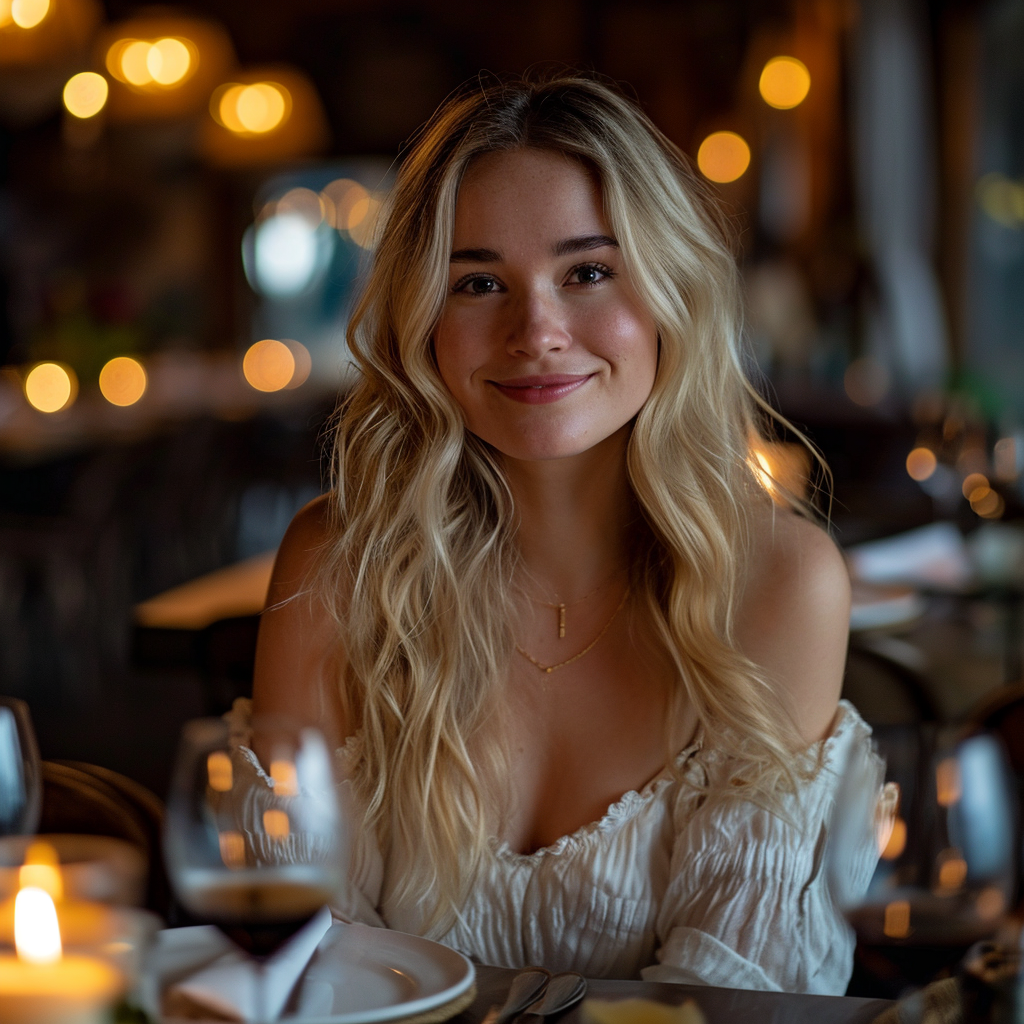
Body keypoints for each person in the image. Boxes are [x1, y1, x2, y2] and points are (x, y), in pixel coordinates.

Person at [250, 72, 874, 993]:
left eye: (587, 272)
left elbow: (730, 998)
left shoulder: (780, 584)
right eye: (477, 282)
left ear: (669, 294)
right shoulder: (342, 565)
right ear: (422, 321)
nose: (535, 330)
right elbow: (291, 949)